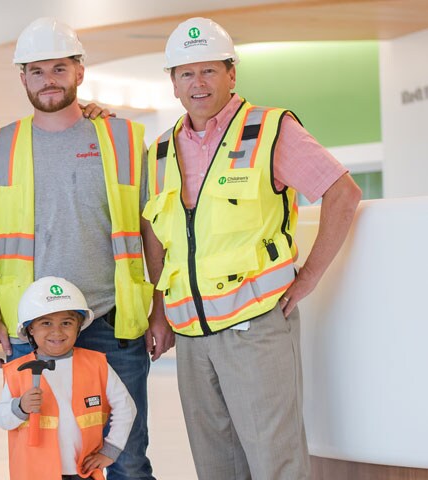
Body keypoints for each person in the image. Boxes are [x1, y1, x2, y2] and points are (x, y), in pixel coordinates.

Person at [142, 17, 363, 480]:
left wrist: (309, 277)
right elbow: (157, 235)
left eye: (208, 71)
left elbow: (342, 193)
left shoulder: (270, 128)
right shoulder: (160, 151)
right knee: (215, 466)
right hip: (191, 336)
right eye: (186, 73)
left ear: (231, 74)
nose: (197, 83)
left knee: (274, 463)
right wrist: (160, 311)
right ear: (173, 83)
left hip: (255, 327)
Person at [0, 17, 174, 480]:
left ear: (80, 73)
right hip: (34, 328)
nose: (49, 80)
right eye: (37, 71)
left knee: (127, 455)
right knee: (45, 450)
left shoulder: (123, 138)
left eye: (59, 69)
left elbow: (151, 228)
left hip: (112, 319)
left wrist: (160, 310)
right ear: (22, 77)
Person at [0, 276, 136, 480]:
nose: (57, 331)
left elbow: (126, 407)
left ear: (78, 327)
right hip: (35, 474)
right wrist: (20, 407)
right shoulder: (17, 372)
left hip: (83, 471)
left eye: (66, 323)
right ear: (30, 329)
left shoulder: (96, 365)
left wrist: (110, 451)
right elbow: (2, 419)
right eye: (46, 323)